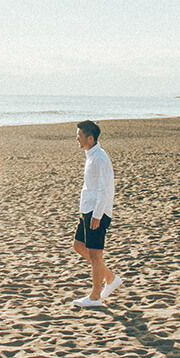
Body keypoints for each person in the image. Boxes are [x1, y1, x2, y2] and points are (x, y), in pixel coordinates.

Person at [71, 120, 122, 307]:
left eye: (80, 136)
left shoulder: (99, 158)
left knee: (95, 255)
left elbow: (105, 189)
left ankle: (95, 297)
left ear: (90, 138)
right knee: (79, 245)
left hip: (96, 212)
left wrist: (97, 215)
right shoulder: (91, 155)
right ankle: (110, 278)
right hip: (88, 209)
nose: (77, 138)